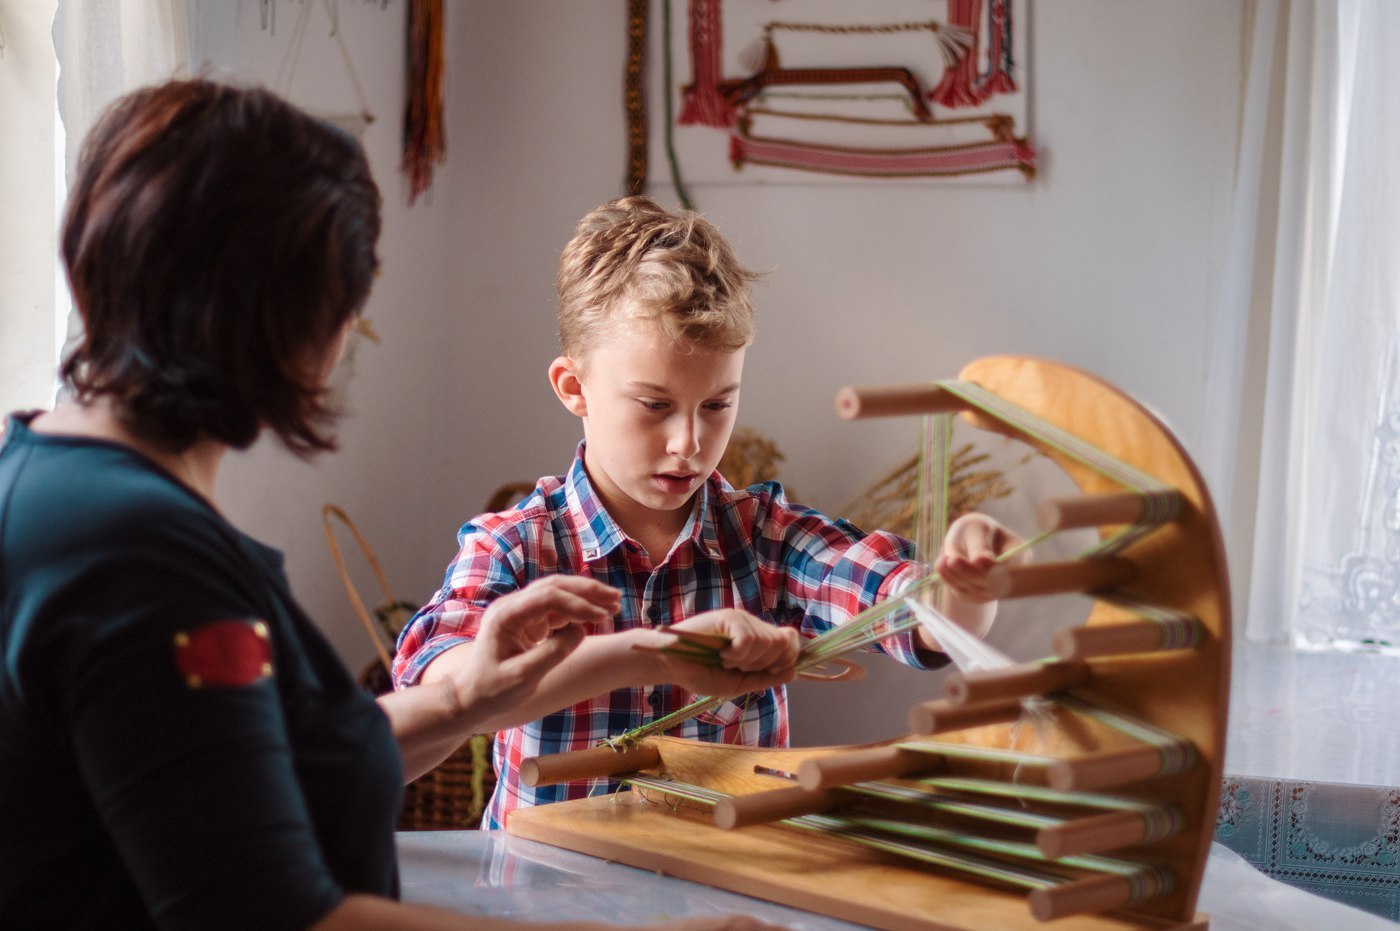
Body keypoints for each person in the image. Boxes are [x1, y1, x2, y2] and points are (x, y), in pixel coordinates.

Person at [0, 81, 781, 931]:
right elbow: (275, 914)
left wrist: (469, 698)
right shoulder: (140, 560)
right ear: (285, 318)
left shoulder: (52, 485)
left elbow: (242, 777)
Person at [392, 196, 1018, 829]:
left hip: (720, 900)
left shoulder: (764, 539)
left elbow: (918, 617)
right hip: (545, 900)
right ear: (574, 388)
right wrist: (632, 652)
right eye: (654, 405)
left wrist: (966, 581)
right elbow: (440, 689)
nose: (688, 442)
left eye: (717, 405)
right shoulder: (514, 547)